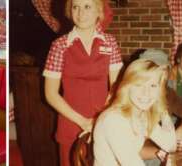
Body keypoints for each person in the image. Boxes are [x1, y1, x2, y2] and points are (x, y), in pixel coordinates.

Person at [43, 0, 123, 165]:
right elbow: (50, 94)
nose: (81, 13)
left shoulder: (110, 43)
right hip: (70, 122)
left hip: (104, 122)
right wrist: (82, 122)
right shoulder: (59, 46)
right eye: (75, 7)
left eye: (87, 6)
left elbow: (117, 88)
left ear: (98, 11)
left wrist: (100, 120)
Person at [93, 59, 176, 166]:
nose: (146, 93)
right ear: (127, 87)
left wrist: (162, 109)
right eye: (138, 85)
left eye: (153, 86)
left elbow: (170, 145)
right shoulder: (114, 120)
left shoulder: (141, 114)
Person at [138, 49, 182, 165]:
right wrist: (164, 152)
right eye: (153, 70)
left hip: (157, 149)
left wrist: (180, 132)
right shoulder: (131, 96)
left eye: (163, 70)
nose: (159, 75)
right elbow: (128, 149)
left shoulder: (167, 92)